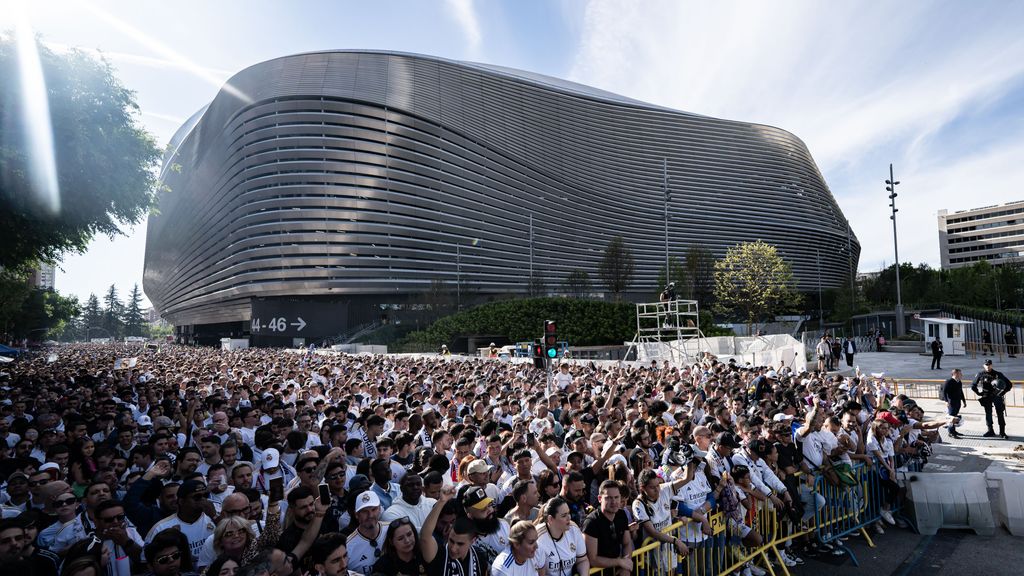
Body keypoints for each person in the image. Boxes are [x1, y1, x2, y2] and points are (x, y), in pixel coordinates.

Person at [420, 492, 487, 576]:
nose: (453, 548)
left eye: (460, 544)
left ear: (473, 540)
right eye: (451, 541)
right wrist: (441, 502)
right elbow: (425, 537)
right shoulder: (439, 554)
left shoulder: (479, 556)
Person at [581, 480, 632, 576]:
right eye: (609, 498)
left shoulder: (622, 515)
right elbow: (593, 559)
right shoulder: (591, 522)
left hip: (616, 570)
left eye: (616, 497)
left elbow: (627, 543)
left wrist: (626, 563)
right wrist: (619, 562)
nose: (614, 502)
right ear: (600, 499)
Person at [971, 359, 1011, 439]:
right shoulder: (980, 374)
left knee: (1000, 414)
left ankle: (1002, 432)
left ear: (991, 365)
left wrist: (1002, 393)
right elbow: (973, 385)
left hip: (997, 396)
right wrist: (979, 393)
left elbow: (1009, 384)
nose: (988, 366)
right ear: (983, 365)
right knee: (988, 414)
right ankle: (990, 430)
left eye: (989, 364)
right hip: (986, 396)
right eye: (986, 365)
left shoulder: (998, 374)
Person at [940, 369, 967, 439]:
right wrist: (946, 401)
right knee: (951, 417)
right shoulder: (949, 381)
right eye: (960, 374)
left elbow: (961, 392)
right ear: (955, 374)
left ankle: (954, 431)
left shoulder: (959, 382)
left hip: (958, 402)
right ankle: (951, 432)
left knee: (954, 417)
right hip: (951, 402)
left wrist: (964, 401)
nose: (961, 375)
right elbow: (944, 392)